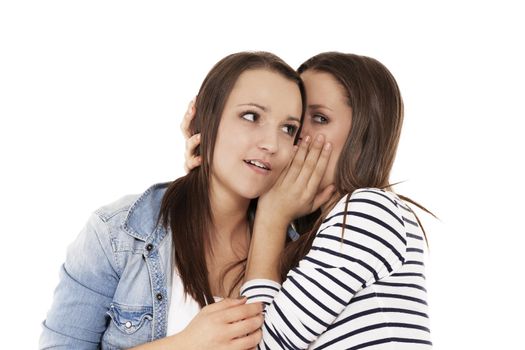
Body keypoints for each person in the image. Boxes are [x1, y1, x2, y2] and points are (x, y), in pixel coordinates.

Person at [39, 51, 333, 350]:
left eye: (288, 129)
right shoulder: (119, 234)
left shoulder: (302, 256)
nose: (271, 143)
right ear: (205, 117)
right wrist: (187, 344)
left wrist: (274, 217)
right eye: (251, 116)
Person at [184, 52, 433, 349]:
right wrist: (213, 160)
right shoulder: (312, 231)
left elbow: (261, 344)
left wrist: (270, 219)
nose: (298, 134)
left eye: (319, 118)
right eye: (295, 123)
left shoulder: (369, 210)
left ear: (363, 136)